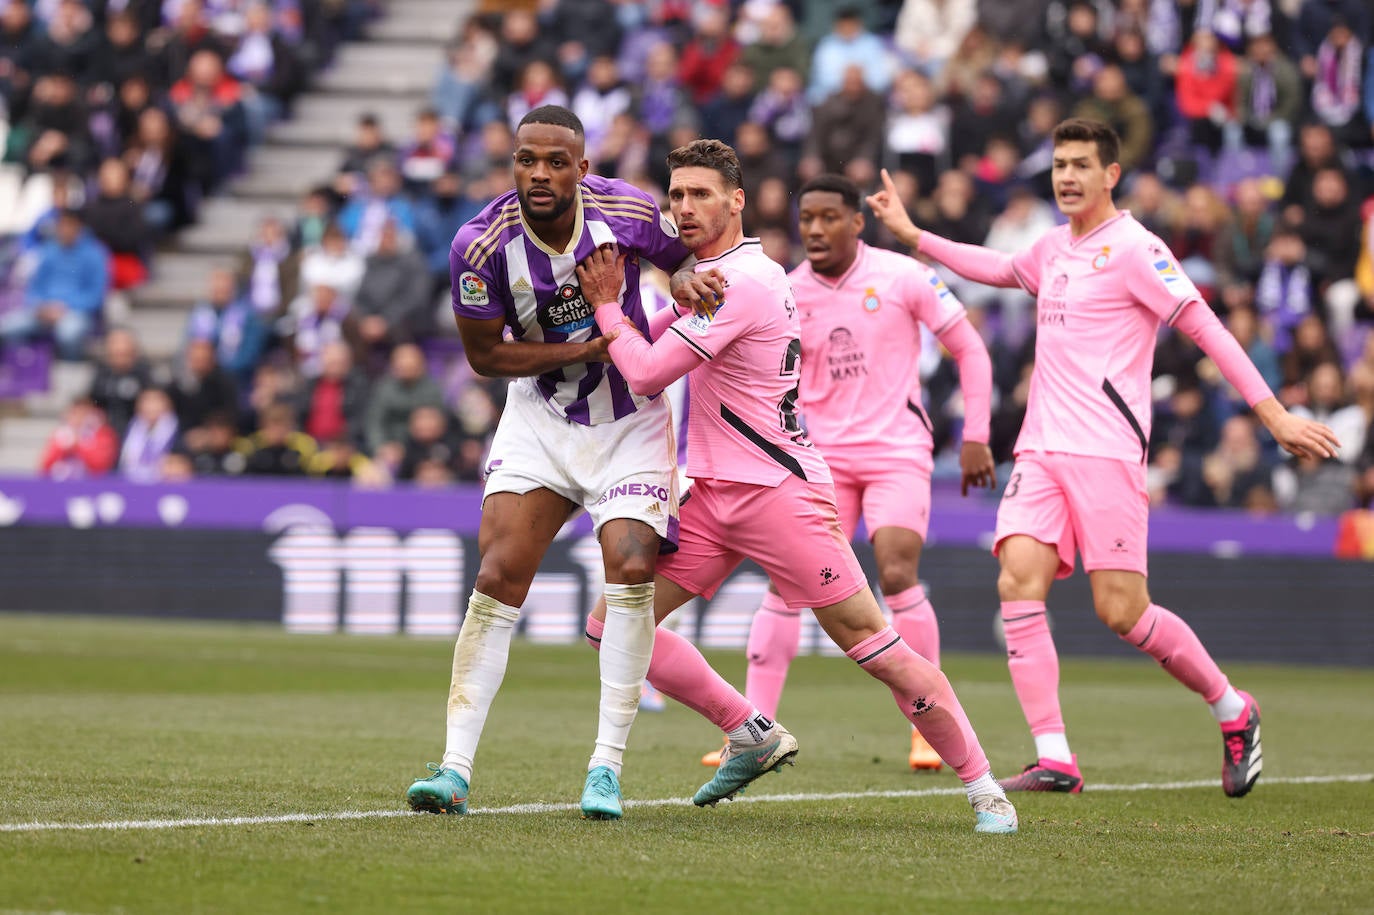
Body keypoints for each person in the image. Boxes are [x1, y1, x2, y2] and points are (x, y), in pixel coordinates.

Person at [864, 118, 1340, 797]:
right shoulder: (1053, 246)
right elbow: (999, 269)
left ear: (1111, 175)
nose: (1066, 176)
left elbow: (1203, 324)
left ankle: (1233, 707)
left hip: (1108, 451)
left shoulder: (1135, 248)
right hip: (1040, 449)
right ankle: (1054, 756)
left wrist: (1272, 414)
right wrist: (916, 238)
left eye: (1081, 165)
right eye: (1060, 163)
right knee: (1016, 582)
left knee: (1123, 612)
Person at [578, 138, 1018, 834]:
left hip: (779, 493)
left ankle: (984, 785)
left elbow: (645, 369)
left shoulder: (744, 280)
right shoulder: (713, 276)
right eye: (677, 196)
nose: (684, 208)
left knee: (875, 645)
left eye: (700, 194)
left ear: (737, 200)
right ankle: (748, 728)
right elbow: (652, 332)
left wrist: (606, 308)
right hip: (714, 495)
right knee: (612, 625)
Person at [404, 106, 720, 821]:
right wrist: (579, 350)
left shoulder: (629, 209)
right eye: (525, 160)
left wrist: (692, 279)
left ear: (582, 168)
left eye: (554, 162)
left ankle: (605, 767)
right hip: (541, 418)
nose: (538, 174)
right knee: (496, 573)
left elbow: (687, 261)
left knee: (633, 568)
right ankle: (453, 768)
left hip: (630, 420)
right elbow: (486, 357)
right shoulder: (479, 246)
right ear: (511, 162)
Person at [699, 173, 996, 773]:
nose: (814, 228)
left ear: (857, 222)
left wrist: (978, 433)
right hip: (820, 458)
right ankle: (751, 731)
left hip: (895, 451)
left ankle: (931, 729)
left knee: (896, 569)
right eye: (806, 218)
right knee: (786, 585)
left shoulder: (902, 275)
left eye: (829, 217)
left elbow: (970, 347)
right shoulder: (784, 289)